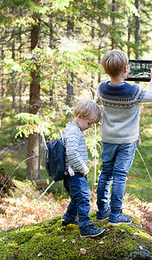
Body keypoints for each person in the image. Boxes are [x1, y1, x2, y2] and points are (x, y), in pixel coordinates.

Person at [96, 50, 152, 225]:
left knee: (106, 173)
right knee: (120, 174)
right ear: (126, 69)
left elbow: (114, 86)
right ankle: (116, 214)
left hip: (108, 138)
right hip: (127, 140)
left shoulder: (101, 89)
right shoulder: (134, 91)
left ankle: (102, 211)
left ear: (105, 70)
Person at [61, 100, 105, 238]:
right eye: (89, 123)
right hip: (75, 174)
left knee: (76, 198)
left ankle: (68, 219)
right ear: (79, 116)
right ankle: (85, 227)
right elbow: (72, 152)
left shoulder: (72, 128)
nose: (89, 127)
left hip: (72, 173)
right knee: (84, 198)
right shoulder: (74, 131)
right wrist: (84, 168)